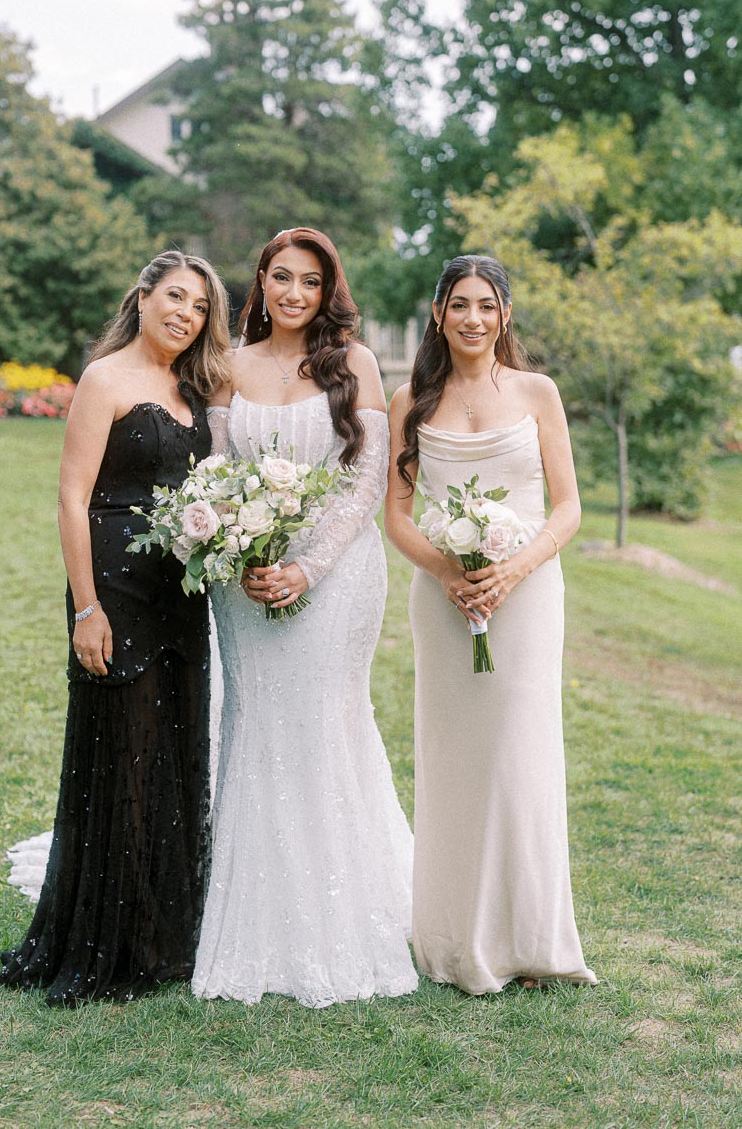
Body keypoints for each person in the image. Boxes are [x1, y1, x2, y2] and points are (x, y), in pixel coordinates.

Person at [191, 227, 417, 1007]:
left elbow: (363, 481)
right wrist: (242, 545)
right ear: (260, 281)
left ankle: (347, 904)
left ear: (328, 292)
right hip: (246, 576)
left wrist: (308, 567)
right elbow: (216, 470)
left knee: (324, 720)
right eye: (281, 277)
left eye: (310, 282)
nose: (293, 293)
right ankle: (252, 905)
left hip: (339, 574)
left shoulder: (351, 362)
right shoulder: (229, 364)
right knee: (256, 721)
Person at [0, 250, 231, 1005]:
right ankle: (108, 940)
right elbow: (70, 498)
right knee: (122, 755)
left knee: (175, 751)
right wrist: (86, 607)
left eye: (198, 306)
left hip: (181, 592)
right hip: (115, 588)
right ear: (144, 295)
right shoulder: (104, 379)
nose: (184, 315)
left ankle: (165, 939)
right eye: (174, 297)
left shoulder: (196, 387)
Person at [385, 254, 597, 996]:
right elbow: (398, 516)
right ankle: (452, 940)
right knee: (453, 758)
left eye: (487, 305)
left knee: (520, 754)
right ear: (438, 314)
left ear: (505, 314)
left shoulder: (537, 392)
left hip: (529, 595)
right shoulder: (409, 398)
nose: (473, 318)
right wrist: (447, 574)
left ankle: (531, 941)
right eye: (459, 304)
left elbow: (568, 507)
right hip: (445, 604)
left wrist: (514, 569)